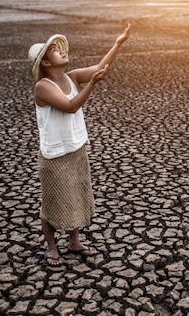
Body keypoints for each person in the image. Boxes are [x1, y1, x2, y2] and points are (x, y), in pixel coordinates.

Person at [28, 23, 131, 266]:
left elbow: (100, 67)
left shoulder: (71, 76)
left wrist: (118, 43)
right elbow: (71, 106)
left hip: (75, 148)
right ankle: (52, 248)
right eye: (55, 51)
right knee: (51, 203)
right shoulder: (42, 87)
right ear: (46, 62)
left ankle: (74, 242)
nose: (62, 52)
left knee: (76, 196)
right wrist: (92, 84)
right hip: (54, 155)